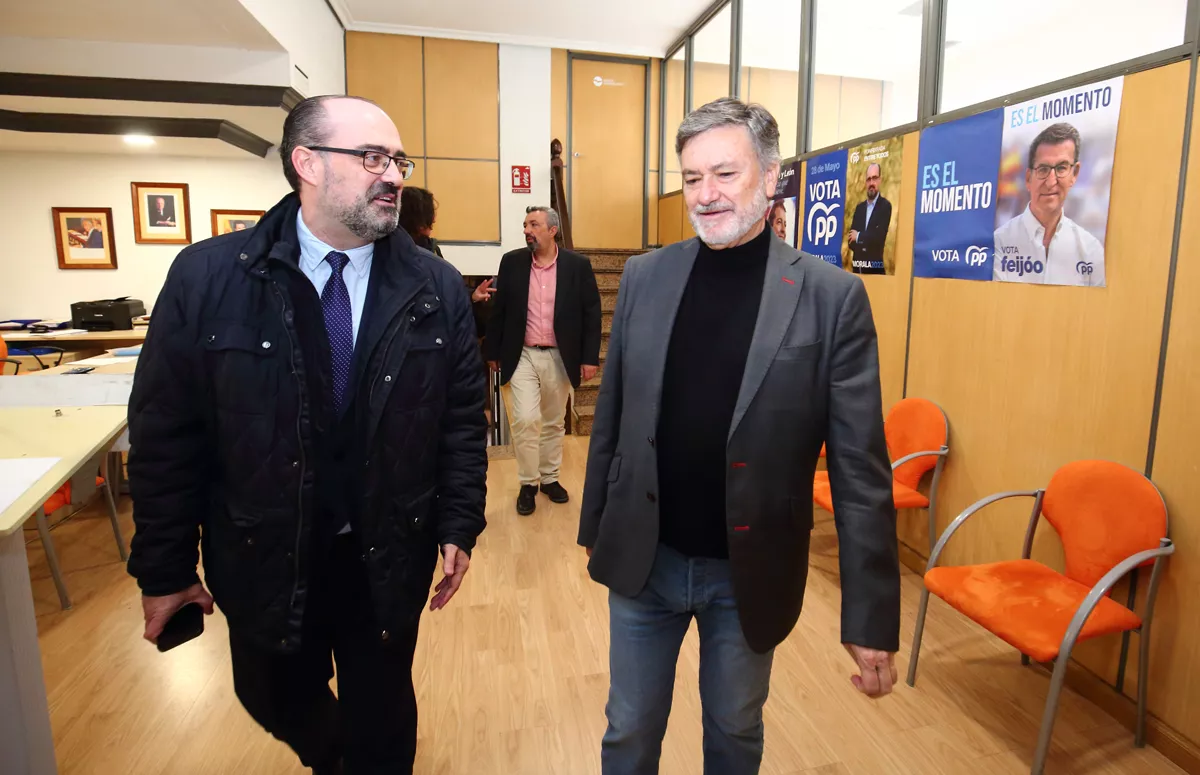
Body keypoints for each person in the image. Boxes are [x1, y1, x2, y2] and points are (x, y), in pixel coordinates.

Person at [125, 95, 488, 775]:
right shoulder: (209, 278)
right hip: (263, 547)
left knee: (383, 709)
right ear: (307, 163)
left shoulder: (433, 285)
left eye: (398, 160)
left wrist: (459, 522)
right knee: (269, 690)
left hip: (384, 551)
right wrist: (165, 568)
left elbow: (462, 418)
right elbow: (166, 434)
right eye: (372, 157)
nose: (394, 175)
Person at [579, 97, 900, 775]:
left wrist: (870, 617)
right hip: (647, 559)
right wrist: (595, 525)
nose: (706, 193)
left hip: (748, 572)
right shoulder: (646, 275)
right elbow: (616, 413)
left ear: (771, 175)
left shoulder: (828, 297)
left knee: (733, 730)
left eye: (724, 173)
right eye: (692, 178)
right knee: (629, 730)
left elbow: (859, 471)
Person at [484, 206, 601, 515]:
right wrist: (492, 351)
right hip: (521, 354)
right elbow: (500, 310)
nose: (527, 230)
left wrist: (589, 358)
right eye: (525, 224)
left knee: (552, 422)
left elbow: (592, 314)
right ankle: (527, 483)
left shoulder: (578, 266)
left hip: (561, 356)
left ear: (552, 230)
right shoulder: (512, 263)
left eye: (534, 224)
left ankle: (549, 479)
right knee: (525, 420)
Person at [993, 122, 1105, 286]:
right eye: (1043, 169)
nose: (1051, 182)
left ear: (1075, 174)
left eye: (1061, 168)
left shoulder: (1091, 251)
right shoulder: (999, 243)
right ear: (1028, 178)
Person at [847, 162, 892, 274]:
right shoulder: (859, 208)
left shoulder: (885, 206)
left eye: (875, 178)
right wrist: (866, 241)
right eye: (869, 179)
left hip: (875, 272)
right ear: (865, 182)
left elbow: (879, 238)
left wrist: (859, 237)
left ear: (880, 180)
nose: (871, 183)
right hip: (858, 271)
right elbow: (850, 242)